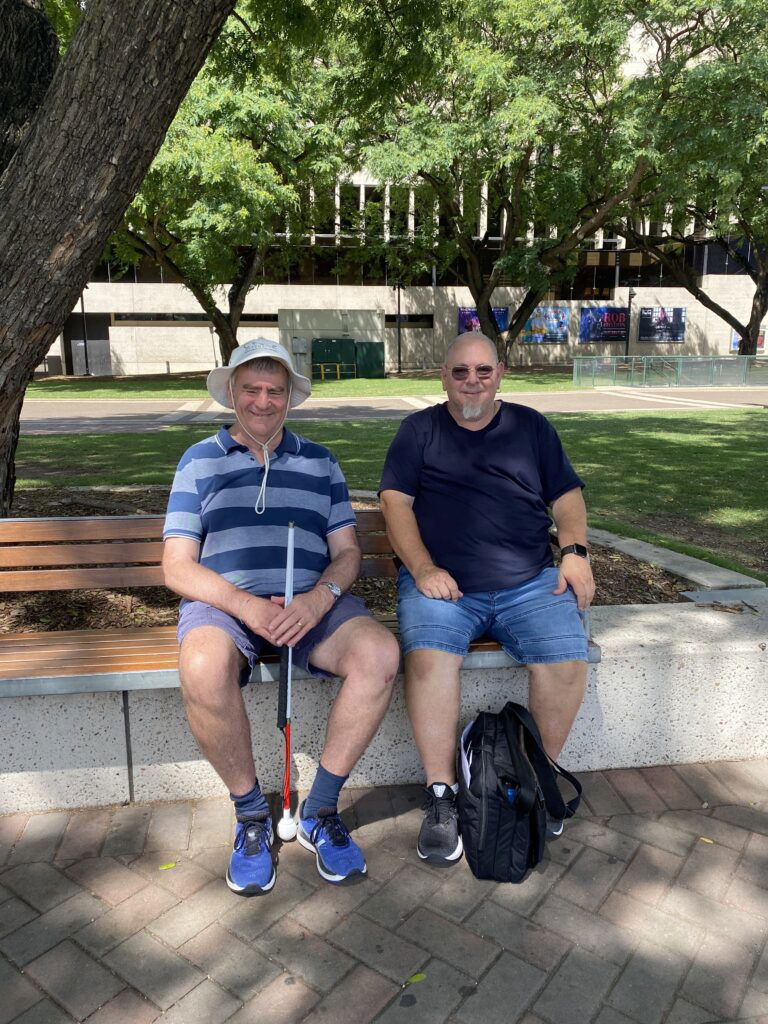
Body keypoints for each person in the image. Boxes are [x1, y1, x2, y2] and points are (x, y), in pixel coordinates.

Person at [163, 338, 399, 895]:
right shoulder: (199, 460)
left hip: (312, 606)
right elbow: (177, 567)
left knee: (380, 654)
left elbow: (347, 552)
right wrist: (245, 605)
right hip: (226, 605)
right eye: (252, 389)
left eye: (275, 391)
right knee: (201, 665)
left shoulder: (321, 461)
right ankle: (250, 818)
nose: (263, 401)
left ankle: (319, 811)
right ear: (232, 394)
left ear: (291, 397)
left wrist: (318, 598)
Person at [379, 331, 594, 865]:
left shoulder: (531, 428)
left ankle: (534, 779)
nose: (471, 381)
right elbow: (394, 503)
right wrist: (423, 568)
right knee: (430, 659)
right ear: (443, 376)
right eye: (460, 372)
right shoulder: (419, 431)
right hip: (445, 585)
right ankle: (441, 797)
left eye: (482, 371)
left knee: (567, 658)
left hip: (528, 582)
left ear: (500, 372)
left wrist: (575, 552)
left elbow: (566, 497)